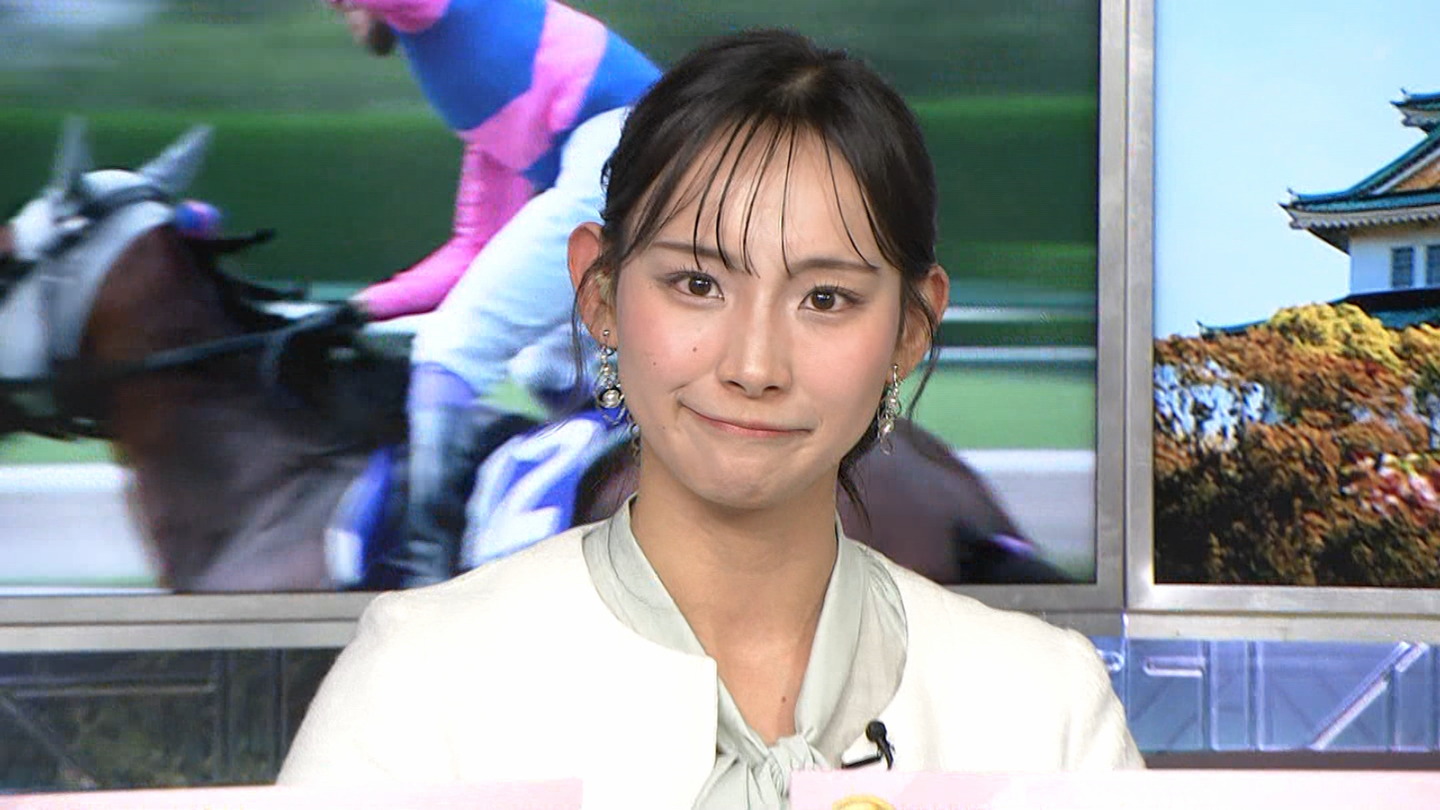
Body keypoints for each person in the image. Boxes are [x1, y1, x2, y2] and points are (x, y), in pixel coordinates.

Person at [278, 29, 1143, 809]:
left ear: (912, 330)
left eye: (826, 297)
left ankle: (428, 540)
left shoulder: (1053, 709)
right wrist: (364, 305)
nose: (753, 366)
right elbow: (471, 250)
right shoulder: (412, 688)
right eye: (697, 284)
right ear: (600, 296)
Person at [326, 0, 660, 587]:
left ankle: (426, 569)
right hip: (651, 153)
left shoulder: (434, 11)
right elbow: (471, 252)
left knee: (452, 347)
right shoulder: (490, 114)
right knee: (546, 362)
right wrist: (357, 308)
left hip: (632, 149)